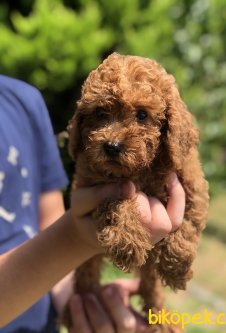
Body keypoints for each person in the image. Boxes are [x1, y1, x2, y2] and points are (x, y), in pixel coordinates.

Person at [0, 75, 185, 332]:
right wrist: (76, 238)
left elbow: (49, 221)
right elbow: (66, 234)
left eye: (141, 115)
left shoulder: (24, 101)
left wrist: (78, 304)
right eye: (101, 113)